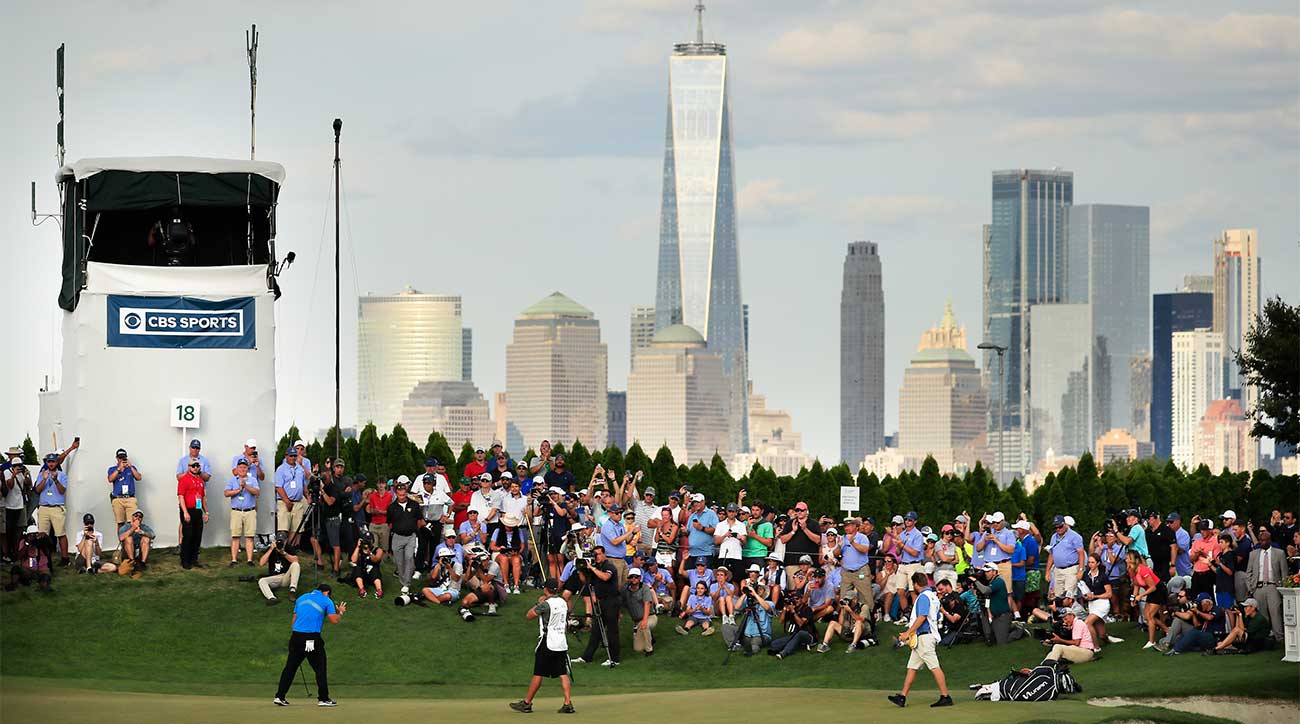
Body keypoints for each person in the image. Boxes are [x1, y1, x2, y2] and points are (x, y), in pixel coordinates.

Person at [887, 572, 953, 709]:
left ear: (916, 584)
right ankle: (902, 696)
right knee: (912, 668)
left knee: (934, 667)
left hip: (925, 637)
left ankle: (945, 696)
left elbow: (922, 617)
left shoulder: (923, 597)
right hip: (924, 637)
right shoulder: (932, 597)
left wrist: (907, 633)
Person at [273, 583, 345, 707]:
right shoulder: (327, 601)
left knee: (290, 668)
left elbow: (294, 620)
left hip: (296, 637)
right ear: (327, 592)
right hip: (310, 640)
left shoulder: (301, 598)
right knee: (320, 668)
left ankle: (279, 696)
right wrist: (341, 612)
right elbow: (334, 620)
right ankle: (323, 698)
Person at [510, 578, 575, 714]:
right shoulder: (563, 602)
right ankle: (567, 703)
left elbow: (529, 615)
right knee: (562, 673)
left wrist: (538, 603)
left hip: (547, 641)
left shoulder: (545, 604)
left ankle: (527, 703)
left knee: (538, 673)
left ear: (546, 589)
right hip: (561, 642)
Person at [572, 546, 621, 666]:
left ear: (604, 554)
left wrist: (592, 568)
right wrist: (581, 570)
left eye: (598, 554)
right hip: (601, 602)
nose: (596, 557)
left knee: (612, 631)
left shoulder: (609, 566)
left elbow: (605, 577)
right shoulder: (597, 568)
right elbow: (586, 582)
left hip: (612, 601)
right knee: (596, 631)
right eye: (595, 554)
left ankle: (614, 659)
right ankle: (587, 657)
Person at [1247, 527, 1286, 640]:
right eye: (1260, 540)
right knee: (1262, 615)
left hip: (1273, 586)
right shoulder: (1253, 554)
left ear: (1270, 540)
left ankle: (1279, 638)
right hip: (1258, 587)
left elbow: (1284, 573)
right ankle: (1265, 638)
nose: (1262, 542)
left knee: (1276, 613)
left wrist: (1282, 589)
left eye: (1264, 540)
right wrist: (1251, 588)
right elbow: (1248, 572)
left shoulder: (1279, 553)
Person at [34, 453, 72, 566]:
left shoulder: (62, 475)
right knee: (42, 535)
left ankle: (65, 559)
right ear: (46, 463)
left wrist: (55, 480)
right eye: (49, 462)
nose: (51, 463)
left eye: (53, 461)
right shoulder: (42, 474)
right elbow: (37, 490)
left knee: (61, 534)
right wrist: (44, 479)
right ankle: (43, 559)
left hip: (56, 507)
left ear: (56, 462)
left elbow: (62, 491)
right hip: (44, 507)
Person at [386, 481, 422, 595]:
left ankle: (407, 583)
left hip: (411, 536)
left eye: (403, 494)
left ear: (406, 493)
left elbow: (419, 520)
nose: (402, 497)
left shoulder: (414, 505)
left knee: (409, 557)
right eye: (399, 495)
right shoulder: (391, 507)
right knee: (399, 562)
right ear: (396, 494)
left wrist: (414, 530)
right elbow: (389, 523)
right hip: (397, 537)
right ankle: (403, 581)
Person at [1128, 550, 1167, 649]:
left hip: (1158, 590)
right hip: (1152, 591)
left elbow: (1153, 587)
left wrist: (1141, 596)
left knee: (1149, 616)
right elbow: (1136, 585)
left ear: (1135, 560)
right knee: (1147, 616)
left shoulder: (1143, 570)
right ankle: (1168, 630)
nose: (1127, 560)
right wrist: (1133, 598)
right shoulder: (1131, 570)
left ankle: (1152, 641)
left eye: (1129, 558)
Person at [1079, 553, 1121, 645]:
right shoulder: (1086, 575)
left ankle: (1095, 647)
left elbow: (1109, 594)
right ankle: (1107, 639)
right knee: (1101, 634)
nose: (1090, 564)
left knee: (1087, 623)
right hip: (1092, 604)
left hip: (1102, 603)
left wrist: (1095, 596)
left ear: (1098, 563)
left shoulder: (1103, 576)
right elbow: (1083, 588)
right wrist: (1085, 596)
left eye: (1092, 562)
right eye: (1089, 562)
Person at [225, 457, 260, 567]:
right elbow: (226, 493)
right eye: (240, 467)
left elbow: (257, 492)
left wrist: (246, 486)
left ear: (247, 468)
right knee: (235, 536)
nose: (242, 469)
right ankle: (234, 560)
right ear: (237, 468)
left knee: (250, 536)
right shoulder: (232, 480)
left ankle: (249, 560)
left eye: (244, 467)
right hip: (236, 511)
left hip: (250, 511)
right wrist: (238, 490)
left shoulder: (253, 480)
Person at [177, 458, 209, 569]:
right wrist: (185, 512)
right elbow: (181, 497)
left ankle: (194, 559)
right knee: (188, 535)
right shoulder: (184, 479)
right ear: (189, 467)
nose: (195, 468)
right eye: (193, 466)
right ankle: (185, 560)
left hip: (197, 509)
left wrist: (206, 512)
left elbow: (203, 497)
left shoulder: (200, 481)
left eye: (197, 466)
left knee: (197, 535)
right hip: (188, 509)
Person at [770, 586, 817, 659]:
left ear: (802, 599)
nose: (795, 601)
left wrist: (793, 612)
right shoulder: (792, 609)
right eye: (793, 599)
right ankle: (797, 645)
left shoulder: (807, 609)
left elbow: (801, 624)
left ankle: (783, 653)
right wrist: (785, 609)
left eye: (797, 599)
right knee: (774, 643)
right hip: (794, 635)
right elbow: (780, 621)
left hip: (808, 636)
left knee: (800, 633)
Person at [1045, 515, 1085, 599]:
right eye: (1056, 527)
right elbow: (1051, 554)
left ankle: (1071, 612)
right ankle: (1061, 612)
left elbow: (1081, 553)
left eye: (1060, 527)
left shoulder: (1075, 536)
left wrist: (1081, 570)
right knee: (1057, 595)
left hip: (1071, 569)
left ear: (1065, 524)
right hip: (1058, 569)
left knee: (1069, 596)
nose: (1058, 529)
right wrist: (1047, 571)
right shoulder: (1054, 537)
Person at [2, 448, 31, 560]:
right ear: (12, 466)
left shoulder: (22, 472)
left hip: (20, 504)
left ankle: (16, 551)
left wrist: (26, 475)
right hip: (10, 505)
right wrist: (13, 475)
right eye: (17, 465)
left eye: (20, 465)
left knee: (19, 529)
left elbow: (28, 484)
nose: (19, 467)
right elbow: (9, 486)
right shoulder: (6, 472)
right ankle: (8, 552)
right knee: (9, 530)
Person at [621, 566, 657, 656]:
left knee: (644, 625)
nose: (633, 579)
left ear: (640, 578)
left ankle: (649, 650)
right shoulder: (625, 590)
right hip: (637, 621)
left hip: (650, 616)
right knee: (638, 649)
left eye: (636, 577)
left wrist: (645, 620)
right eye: (631, 577)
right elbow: (620, 601)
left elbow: (647, 603)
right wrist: (619, 613)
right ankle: (650, 637)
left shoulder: (644, 588)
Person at [258, 533, 301, 605]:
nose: (280, 544)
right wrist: (271, 549)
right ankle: (272, 598)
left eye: (282, 542)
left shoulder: (289, 548)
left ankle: (292, 591)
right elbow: (261, 563)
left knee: (295, 565)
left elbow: (296, 560)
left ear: (286, 541)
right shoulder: (271, 549)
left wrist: (283, 553)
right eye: (279, 542)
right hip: (275, 577)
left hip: (286, 576)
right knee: (262, 581)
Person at [6, 526, 52, 592]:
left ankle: (43, 586)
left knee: (45, 577)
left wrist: (45, 537)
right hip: (27, 569)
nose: (33, 537)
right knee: (15, 569)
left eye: (35, 534)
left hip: (41, 569)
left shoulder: (42, 541)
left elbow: (50, 545)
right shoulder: (24, 542)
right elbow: (19, 556)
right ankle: (13, 584)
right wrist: (27, 545)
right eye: (31, 535)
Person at [106, 448, 142, 530]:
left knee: (132, 522)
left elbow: (139, 477)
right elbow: (110, 479)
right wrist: (119, 469)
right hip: (118, 499)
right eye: (120, 458)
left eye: (124, 458)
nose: (122, 460)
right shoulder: (112, 469)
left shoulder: (131, 468)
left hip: (130, 498)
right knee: (120, 522)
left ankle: (131, 542)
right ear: (117, 458)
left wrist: (131, 467)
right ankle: (121, 541)